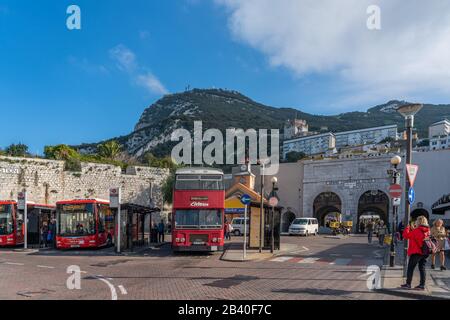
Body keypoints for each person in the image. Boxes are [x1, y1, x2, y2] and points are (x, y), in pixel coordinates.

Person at [401, 216, 430, 290]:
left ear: (419, 222)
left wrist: (407, 227)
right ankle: (422, 285)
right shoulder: (427, 230)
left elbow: (406, 235)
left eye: (417, 220)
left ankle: (408, 284)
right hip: (425, 252)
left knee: (410, 268)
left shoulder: (416, 230)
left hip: (416, 252)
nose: (416, 221)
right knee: (422, 268)